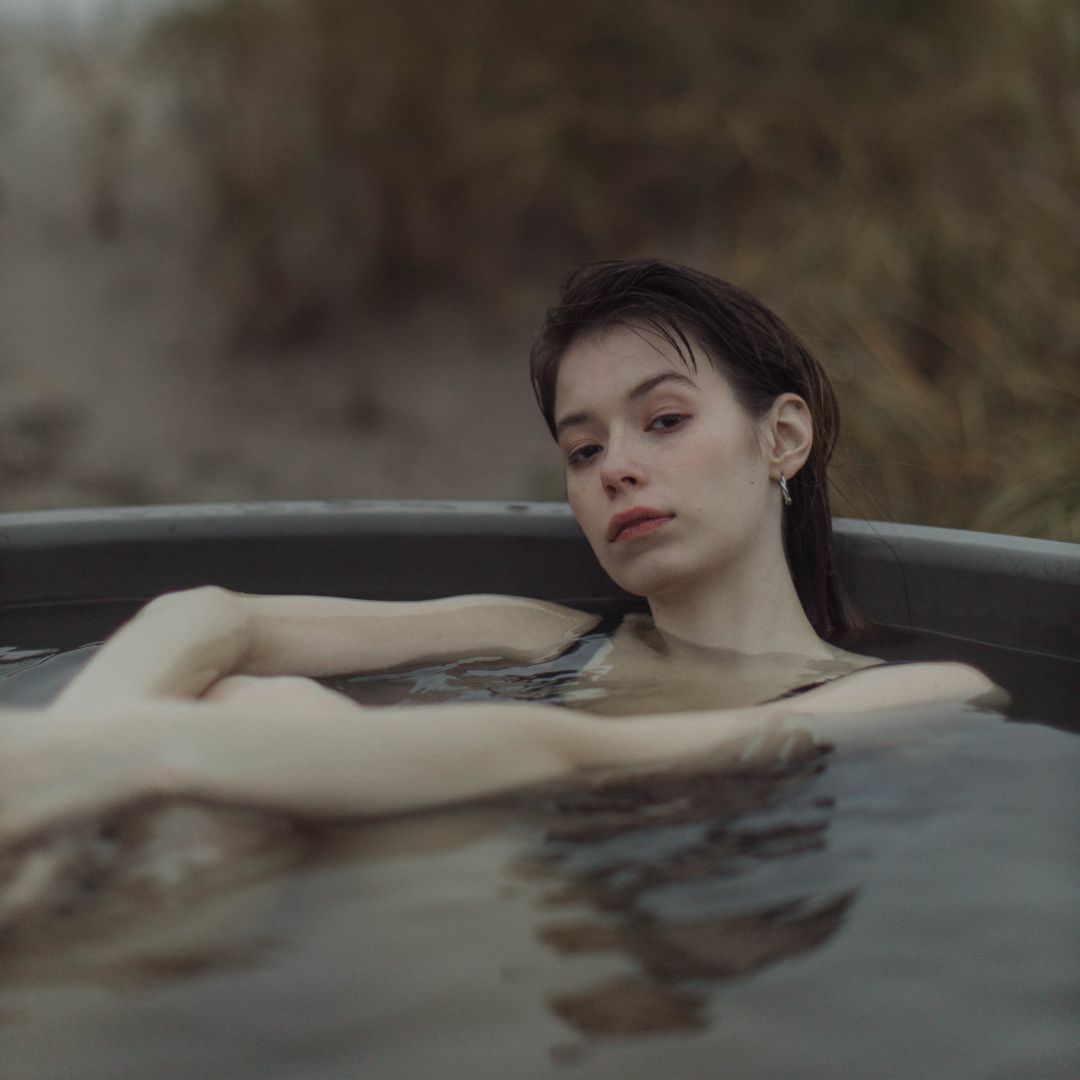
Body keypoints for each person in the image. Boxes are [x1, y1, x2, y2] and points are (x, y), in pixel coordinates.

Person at [0, 259, 1003, 861]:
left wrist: (119, 755)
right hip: (425, 928)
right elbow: (219, 614)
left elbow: (571, 755)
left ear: (782, 439)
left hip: (593, 973)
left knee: (271, 720)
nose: (617, 469)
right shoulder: (539, 638)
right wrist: (62, 767)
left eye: (661, 419)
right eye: (583, 448)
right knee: (247, 709)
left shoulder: (921, 692)